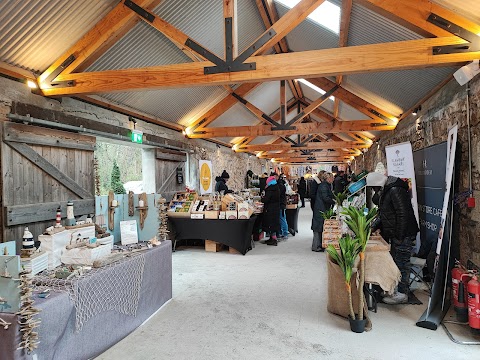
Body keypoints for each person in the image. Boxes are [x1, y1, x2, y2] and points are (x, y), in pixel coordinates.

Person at [367, 172, 419, 304]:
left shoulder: (395, 189)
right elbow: (383, 214)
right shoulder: (388, 189)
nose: (374, 191)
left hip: (403, 233)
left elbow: (403, 214)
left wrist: (400, 236)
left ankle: (402, 294)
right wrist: (372, 227)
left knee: (402, 262)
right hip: (396, 233)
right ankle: (395, 290)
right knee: (396, 261)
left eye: (374, 188)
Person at [311, 172, 335, 252]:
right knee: (318, 227)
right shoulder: (324, 186)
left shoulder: (325, 185)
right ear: (328, 178)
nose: (333, 179)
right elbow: (325, 198)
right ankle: (316, 246)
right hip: (321, 208)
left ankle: (319, 245)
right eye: (332, 178)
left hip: (321, 208)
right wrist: (334, 201)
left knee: (320, 227)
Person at [261, 175, 280, 246]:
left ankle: (274, 239)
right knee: (273, 224)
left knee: (271, 224)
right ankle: (272, 238)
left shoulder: (270, 189)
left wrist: (262, 198)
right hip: (275, 209)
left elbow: (266, 199)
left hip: (270, 209)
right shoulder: (276, 187)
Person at [278, 174, 289, 239]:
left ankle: (285, 233)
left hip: (281, 205)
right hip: (283, 204)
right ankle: (284, 232)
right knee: (283, 218)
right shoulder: (283, 186)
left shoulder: (280, 186)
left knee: (282, 219)